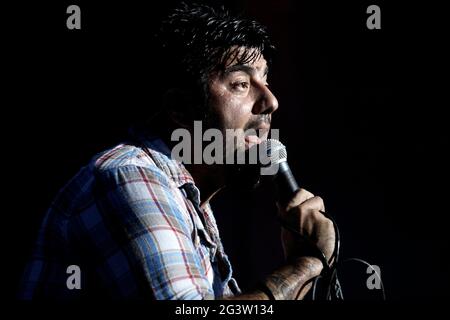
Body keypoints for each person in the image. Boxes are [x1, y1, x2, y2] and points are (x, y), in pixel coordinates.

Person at [19, 2, 335, 300]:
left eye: (265, 79)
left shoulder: (189, 201)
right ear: (180, 108)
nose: (270, 101)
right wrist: (304, 265)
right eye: (240, 83)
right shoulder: (131, 176)